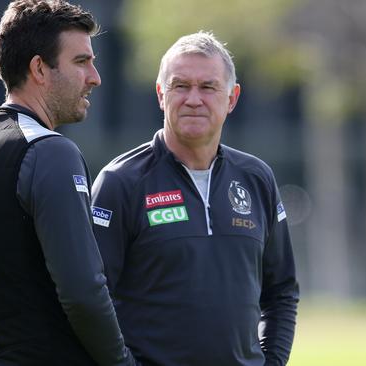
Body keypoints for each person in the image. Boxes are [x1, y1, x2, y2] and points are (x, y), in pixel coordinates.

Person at [0, 1, 137, 365]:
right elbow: (84, 291)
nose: (95, 77)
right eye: (81, 62)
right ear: (39, 69)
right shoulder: (50, 152)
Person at [90, 31, 299, 366]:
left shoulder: (257, 178)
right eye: (180, 86)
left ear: (232, 98)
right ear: (161, 94)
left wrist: (271, 361)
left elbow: (281, 291)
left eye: (208, 87)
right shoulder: (121, 182)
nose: (193, 99)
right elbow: (93, 300)